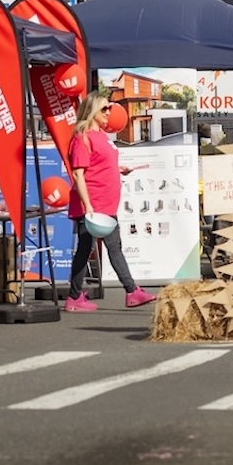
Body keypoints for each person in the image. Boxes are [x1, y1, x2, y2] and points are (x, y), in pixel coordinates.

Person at [64, 92, 157, 312]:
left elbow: (98, 164)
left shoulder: (101, 136)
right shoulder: (82, 137)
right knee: (110, 247)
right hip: (94, 205)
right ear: (93, 111)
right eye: (105, 109)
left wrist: (118, 169)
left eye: (109, 109)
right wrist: (88, 207)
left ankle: (75, 297)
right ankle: (131, 291)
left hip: (103, 203)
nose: (109, 113)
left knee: (88, 249)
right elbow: (78, 174)